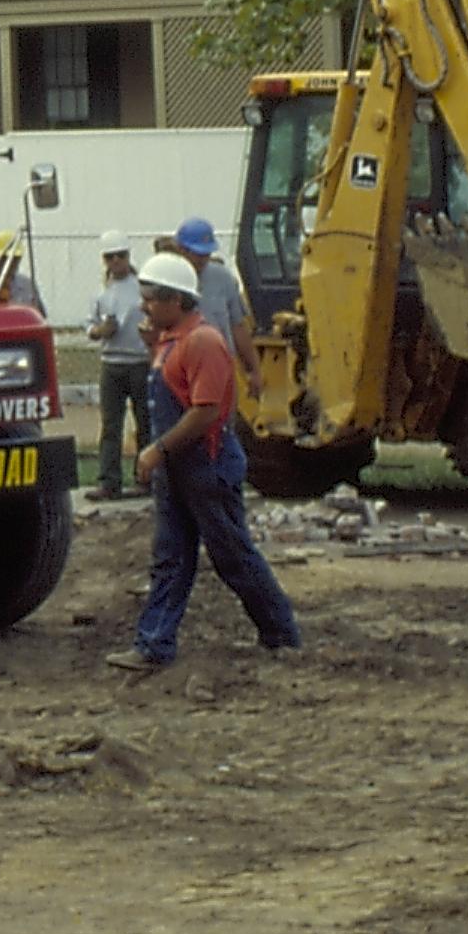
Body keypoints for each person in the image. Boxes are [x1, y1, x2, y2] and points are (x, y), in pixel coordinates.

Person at [107, 250, 301, 670]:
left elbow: (206, 410)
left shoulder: (203, 342)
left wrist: (158, 449)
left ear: (176, 301)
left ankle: (281, 634)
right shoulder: (169, 342)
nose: (144, 306)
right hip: (179, 468)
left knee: (232, 554)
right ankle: (153, 645)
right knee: (170, 557)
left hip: (207, 466)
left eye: (151, 298)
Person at [85, 231, 151, 500]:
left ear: (128, 256)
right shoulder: (101, 292)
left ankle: (146, 478)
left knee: (145, 422)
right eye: (110, 257)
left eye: (120, 256)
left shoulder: (141, 288)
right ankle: (109, 481)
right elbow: (88, 326)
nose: (116, 262)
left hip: (140, 361)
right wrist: (101, 331)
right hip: (111, 363)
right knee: (111, 425)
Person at [172, 216, 256, 369]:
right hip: (182, 368)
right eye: (198, 254)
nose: (203, 259)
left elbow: (237, 326)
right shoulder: (167, 279)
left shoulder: (223, 277)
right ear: (181, 250)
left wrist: (253, 369)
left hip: (221, 365)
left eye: (207, 254)